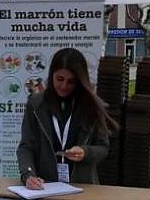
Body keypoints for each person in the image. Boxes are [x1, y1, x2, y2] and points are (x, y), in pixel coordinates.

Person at [17, 47, 115, 189]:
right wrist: (28, 175)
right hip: (45, 187)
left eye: (71, 81)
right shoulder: (36, 104)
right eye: (60, 79)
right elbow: (26, 146)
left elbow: (103, 148)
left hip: (82, 188)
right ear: (51, 75)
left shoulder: (92, 106)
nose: (64, 86)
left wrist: (85, 152)